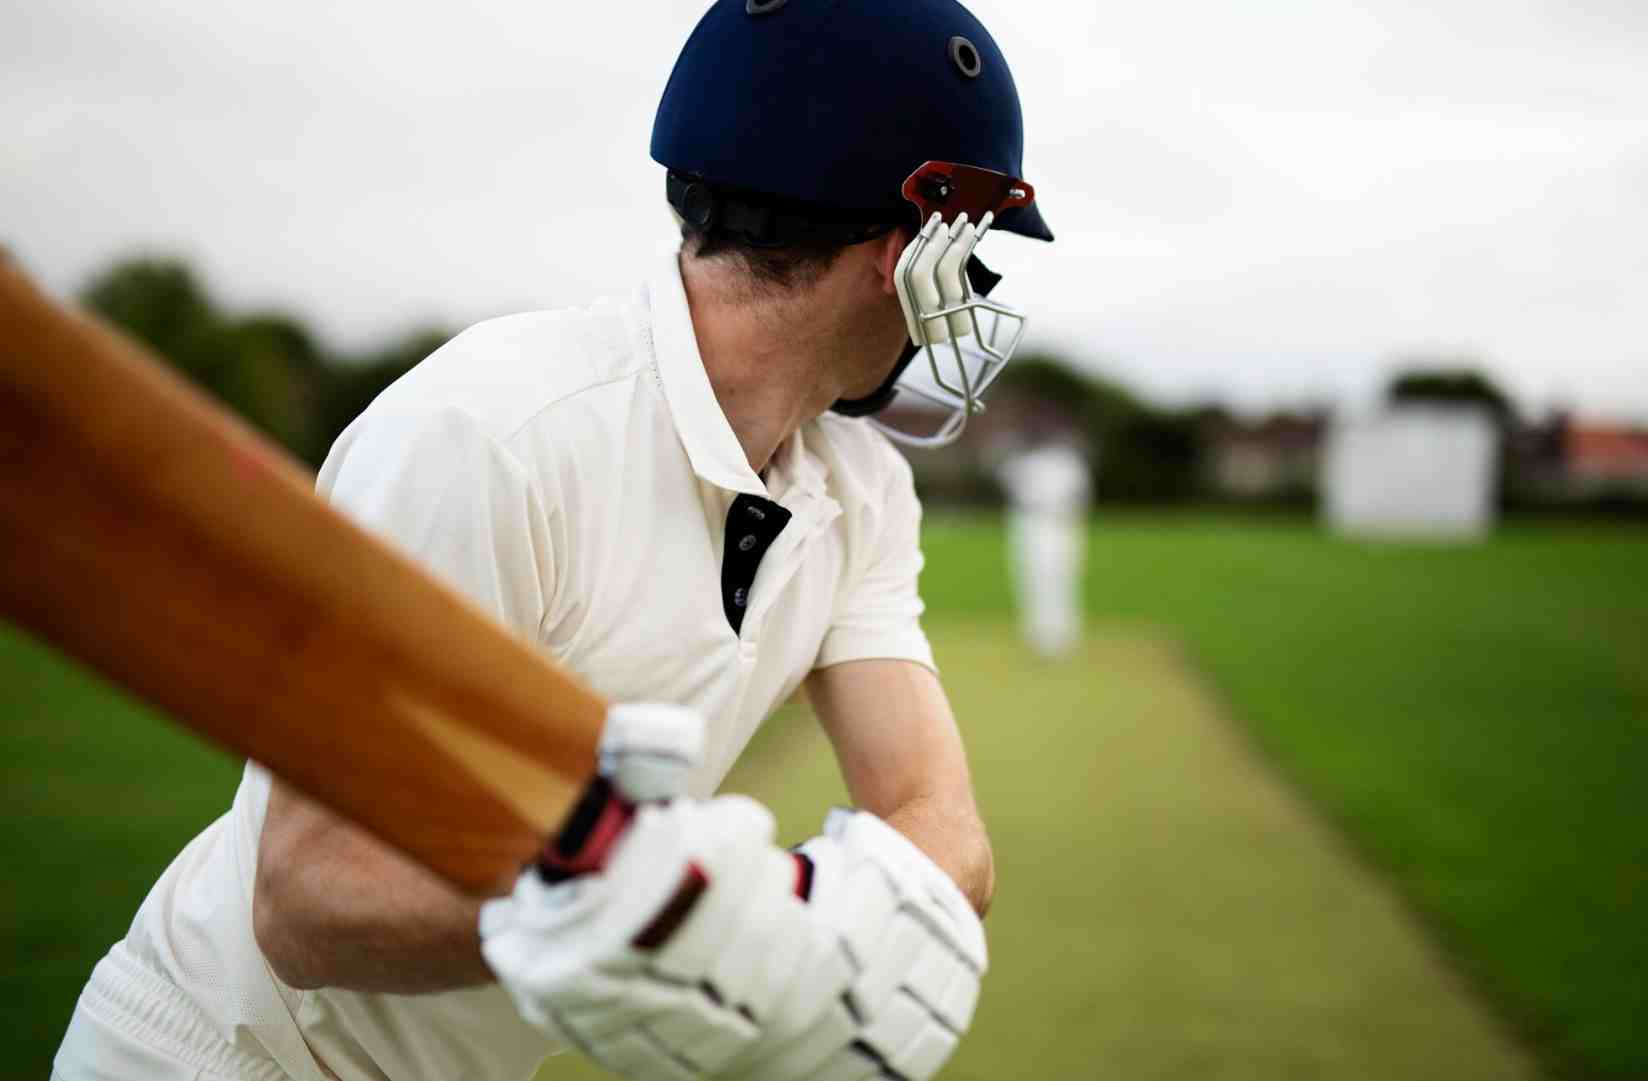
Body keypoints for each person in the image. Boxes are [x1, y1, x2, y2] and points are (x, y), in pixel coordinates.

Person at [51, 2, 1054, 1079]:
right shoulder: (488, 432)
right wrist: (656, 914)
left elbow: (938, 822)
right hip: (223, 1054)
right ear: (908, 252)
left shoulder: (861, 487)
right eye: (975, 258)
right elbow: (305, 903)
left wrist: (787, 918)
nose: (967, 301)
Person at [998, 441, 1093, 659]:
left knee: (1061, 580)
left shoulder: (1069, 465)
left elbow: (1080, 498)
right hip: (1030, 526)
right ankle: (1038, 635)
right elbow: (1011, 484)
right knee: (1030, 580)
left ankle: (1062, 636)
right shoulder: (1026, 462)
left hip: (1060, 527)